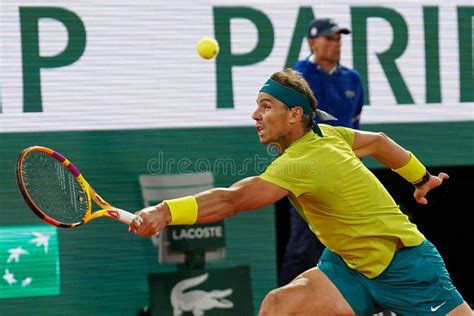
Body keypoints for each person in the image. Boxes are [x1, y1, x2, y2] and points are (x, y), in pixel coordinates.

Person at [130, 69, 471, 315]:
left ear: (294, 115)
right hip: (350, 266)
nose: (255, 115)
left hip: (405, 268)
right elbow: (380, 142)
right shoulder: (329, 135)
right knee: (280, 306)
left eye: (265, 106)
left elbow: (233, 200)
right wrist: (421, 178)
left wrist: (164, 212)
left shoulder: (302, 161)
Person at [279, 17, 366, 286]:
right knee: (304, 246)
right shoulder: (297, 79)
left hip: (345, 175)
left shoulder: (352, 79)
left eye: (339, 38)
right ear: (312, 43)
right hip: (308, 172)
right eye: (329, 38)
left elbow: (355, 127)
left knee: (354, 240)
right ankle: (283, 303)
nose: (336, 44)